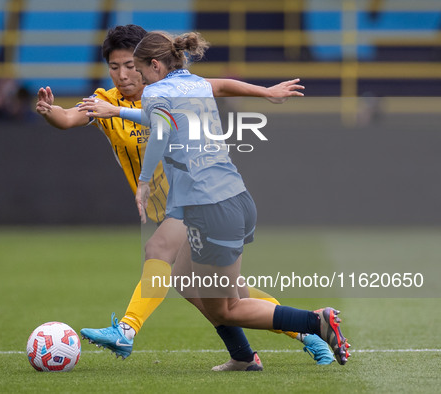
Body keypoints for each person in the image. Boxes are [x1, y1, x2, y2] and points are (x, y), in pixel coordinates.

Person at [36, 24, 334, 369]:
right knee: (203, 289)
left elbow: (217, 86)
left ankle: (126, 330)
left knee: (159, 250)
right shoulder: (106, 101)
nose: (122, 75)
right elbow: (69, 117)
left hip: (196, 199)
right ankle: (281, 340)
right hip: (175, 208)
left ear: (149, 63)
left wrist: (264, 92)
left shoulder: (173, 90)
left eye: (130, 66)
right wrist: (50, 112)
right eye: (114, 67)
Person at [124, 30, 350, 366]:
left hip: (208, 207)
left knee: (227, 308)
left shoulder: (156, 92)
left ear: (155, 65)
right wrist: (266, 91)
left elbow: (159, 131)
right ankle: (244, 357)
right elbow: (223, 86)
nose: (138, 79)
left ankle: (315, 322)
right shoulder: (195, 84)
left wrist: (144, 182)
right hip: (236, 198)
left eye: (140, 71)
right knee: (188, 279)